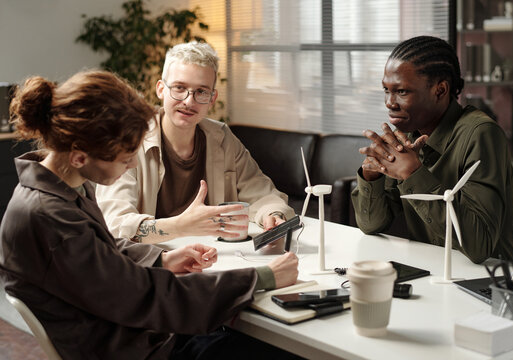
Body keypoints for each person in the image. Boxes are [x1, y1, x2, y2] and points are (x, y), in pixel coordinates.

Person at [0, 70, 300, 359]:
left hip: (134, 334)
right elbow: (147, 296)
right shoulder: (51, 218)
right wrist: (261, 277)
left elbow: (100, 250)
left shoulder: (62, 189)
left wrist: (161, 259)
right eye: (126, 157)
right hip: (137, 349)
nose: (132, 165)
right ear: (79, 155)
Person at [96, 41, 294, 244]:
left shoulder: (223, 139)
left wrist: (275, 216)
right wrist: (181, 226)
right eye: (179, 88)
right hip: (152, 262)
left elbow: (264, 195)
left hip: (212, 257)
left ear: (212, 98)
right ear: (160, 89)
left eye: (201, 91)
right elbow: (115, 224)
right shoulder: (129, 139)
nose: (189, 101)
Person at [351, 35, 513, 264]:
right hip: (432, 273)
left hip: (488, 280)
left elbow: (481, 245)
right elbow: (371, 225)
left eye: (401, 92)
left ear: (440, 90)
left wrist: (413, 174)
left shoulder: (481, 133)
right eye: (386, 90)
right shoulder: (408, 133)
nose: (389, 102)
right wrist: (371, 178)